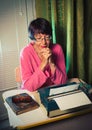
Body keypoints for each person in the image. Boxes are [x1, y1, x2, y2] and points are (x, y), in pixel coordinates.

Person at [20, 18, 67, 92]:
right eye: (39, 38)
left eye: (47, 37)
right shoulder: (26, 52)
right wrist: (43, 64)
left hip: (52, 91)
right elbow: (29, 87)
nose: (44, 42)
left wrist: (51, 62)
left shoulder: (57, 48)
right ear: (33, 38)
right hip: (33, 92)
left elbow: (62, 82)